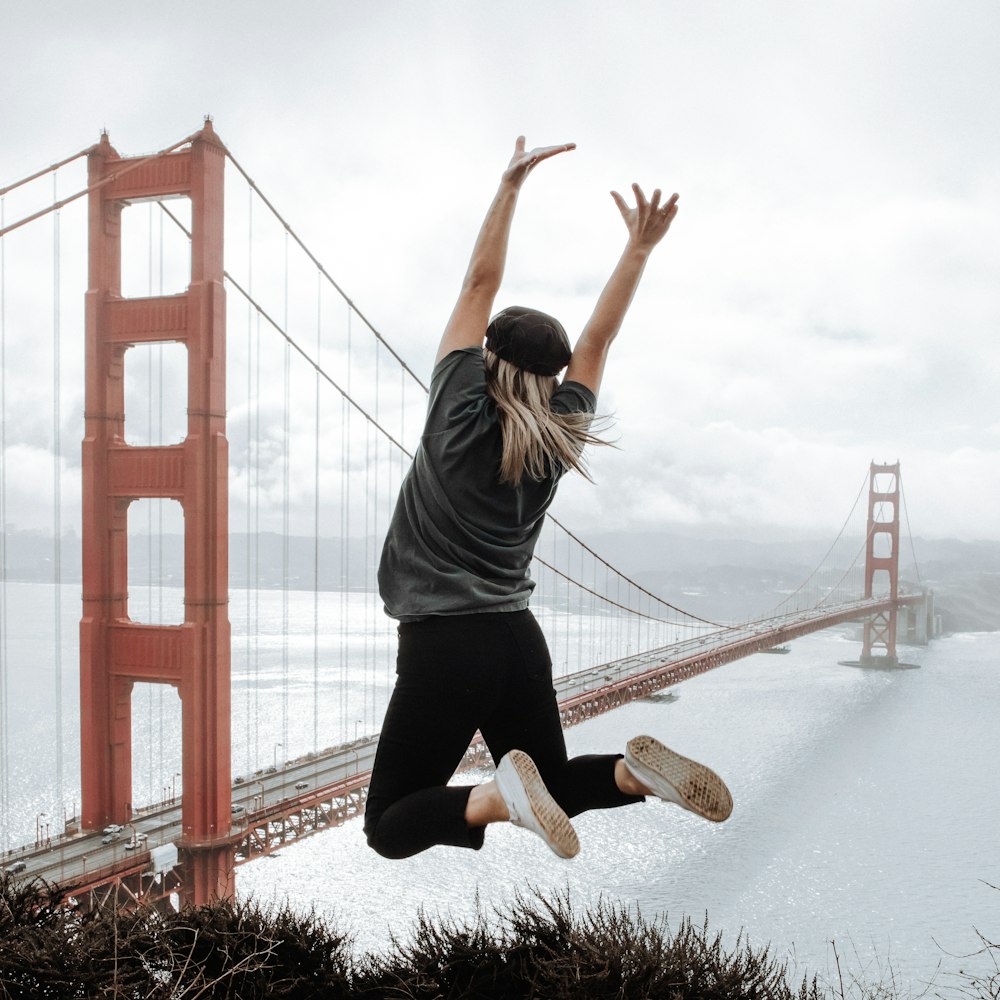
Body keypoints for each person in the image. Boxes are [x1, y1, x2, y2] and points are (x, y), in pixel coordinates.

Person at [364, 136, 732, 861]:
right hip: (516, 641)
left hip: (444, 646)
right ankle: (636, 774)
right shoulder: (559, 436)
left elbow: (478, 285)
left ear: (487, 358)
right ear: (556, 376)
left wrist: (509, 186)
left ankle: (499, 797)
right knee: (557, 783)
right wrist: (639, 249)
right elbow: (597, 339)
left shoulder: (456, 413)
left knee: (388, 825)